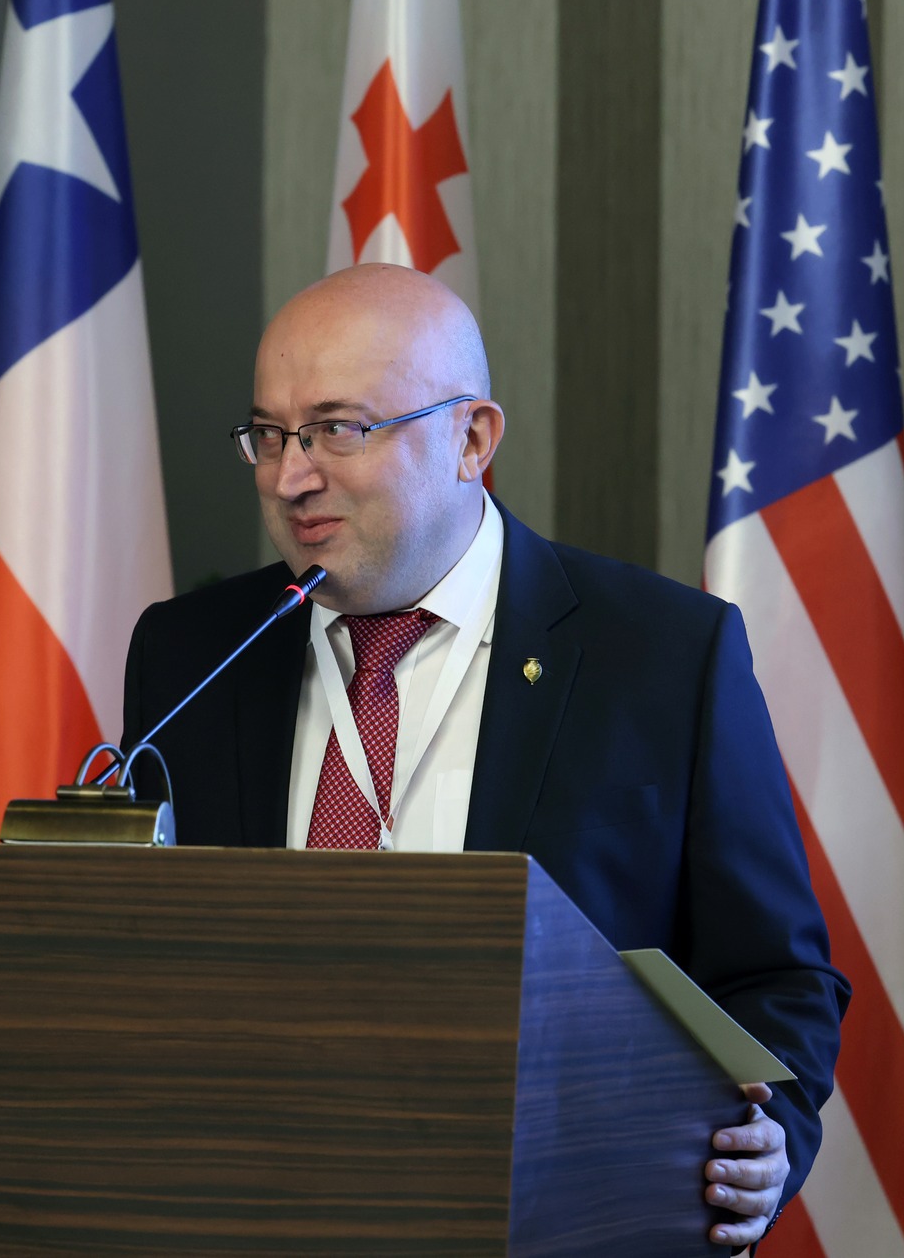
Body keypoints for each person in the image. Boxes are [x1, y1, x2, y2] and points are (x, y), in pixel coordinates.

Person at [119, 263, 847, 1250]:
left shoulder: (661, 655)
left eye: (337, 429)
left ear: (471, 440)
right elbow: (135, 956)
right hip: (249, 1213)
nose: (290, 479)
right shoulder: (192, 652)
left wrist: (769, 1138)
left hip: (560, 1220)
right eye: (271, 435)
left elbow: (776, 975)